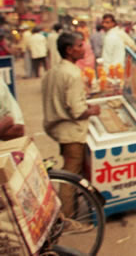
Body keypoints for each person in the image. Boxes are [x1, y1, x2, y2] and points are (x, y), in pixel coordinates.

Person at [42, 32, 101, 216]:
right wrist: (92, 110)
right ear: (69, 50)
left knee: (72, 167)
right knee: (72, 173)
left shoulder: (55, 70)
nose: (83, 48)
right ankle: (67, 216)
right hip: (71, 133)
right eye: (79, 45)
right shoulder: (73, 74)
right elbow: (77, 111)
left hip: (58, 129)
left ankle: (72, 208)